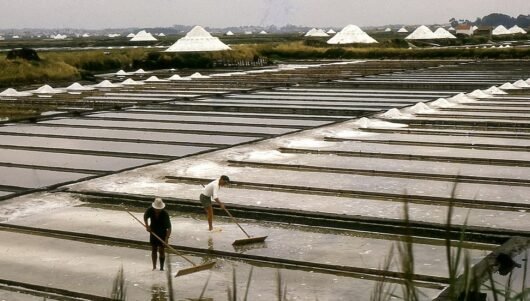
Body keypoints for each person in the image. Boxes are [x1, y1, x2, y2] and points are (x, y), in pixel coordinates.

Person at [144, 198, 172, 271]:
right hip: (153, 231)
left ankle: (162, 268)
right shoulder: (150, 210)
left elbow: (169, 228)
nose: (157, 210)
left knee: (161, 251)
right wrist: (147, 226)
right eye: (156, 209)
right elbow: (145, 217)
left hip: (162, 232)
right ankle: (154, 267)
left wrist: (166, 238)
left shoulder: (165, 214)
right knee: (154, 249)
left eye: (159, 209)